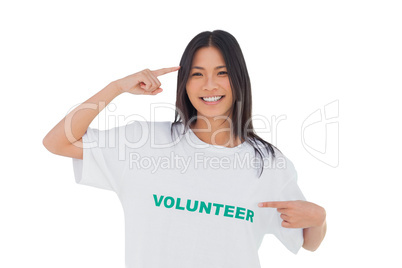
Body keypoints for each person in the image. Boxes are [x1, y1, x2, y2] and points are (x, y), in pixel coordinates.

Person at [43, 29, 327, 268]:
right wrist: (116, 87)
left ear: (239, 79)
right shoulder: (143, 144)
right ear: (185, 83)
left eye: (222, 72)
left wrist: (320, 219)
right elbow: (57, 141)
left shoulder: (268, 163)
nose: (209, 85)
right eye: (197, 74)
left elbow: (306, 242)